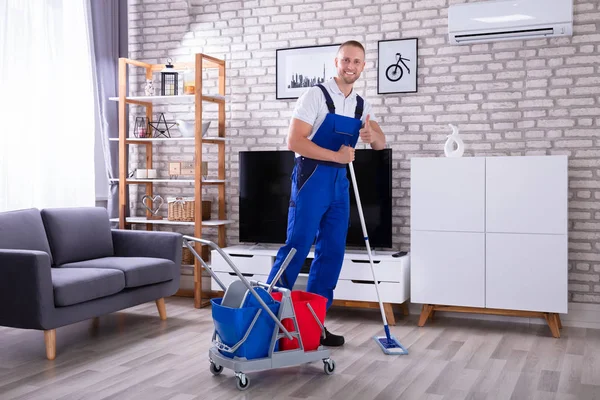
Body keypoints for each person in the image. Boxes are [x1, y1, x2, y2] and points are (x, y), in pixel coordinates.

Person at [266, 40, 386, 346]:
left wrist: (373, 134)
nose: (351, 66)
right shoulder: (315, 95)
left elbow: (379, 143)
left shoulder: (361, 105)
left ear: (363, 66)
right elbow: (294, 141)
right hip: (311, 179)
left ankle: (313, 324)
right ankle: (264, 321)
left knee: (331, 253)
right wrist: (337, 157)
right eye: (346, 60)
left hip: (339, 185)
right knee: (297, 246)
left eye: (357, 62)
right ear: (336, 62)